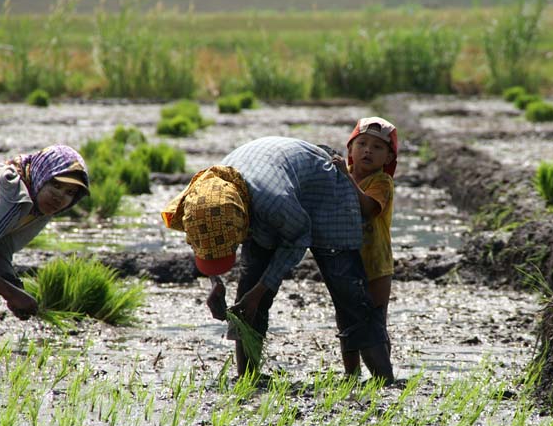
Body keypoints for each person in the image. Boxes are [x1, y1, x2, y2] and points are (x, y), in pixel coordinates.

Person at [161, 136, 394, 383]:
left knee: (348, 292)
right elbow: (203, 238)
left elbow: (298, 239)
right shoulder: (202, 197)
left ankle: (384, 380)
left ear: (243, 222)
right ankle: (248, 377)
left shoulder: (275, 204)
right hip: (269, 185)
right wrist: (215, 282)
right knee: (247, 291)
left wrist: (260, 292)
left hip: (326, 192)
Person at [0, 145, 90, 342]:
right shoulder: (10, 197)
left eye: (70, 192)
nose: (59, 197)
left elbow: (0, 245)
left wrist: (12, 284)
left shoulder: (41, 209)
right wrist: (8, 292)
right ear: (41, 176)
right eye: (56, 185)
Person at [332, 117, 397, 377]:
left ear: (388, 158)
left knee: (374, 322)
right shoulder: (337, 177)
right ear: (350, 150)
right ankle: (351, 374)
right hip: (346, 262)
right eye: (362, 144)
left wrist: (347, 178)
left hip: (375, 266)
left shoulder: (382, 183)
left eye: (378, 147)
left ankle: (382, 373)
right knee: (346, 320)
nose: (368, 150)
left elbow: (368, 208)